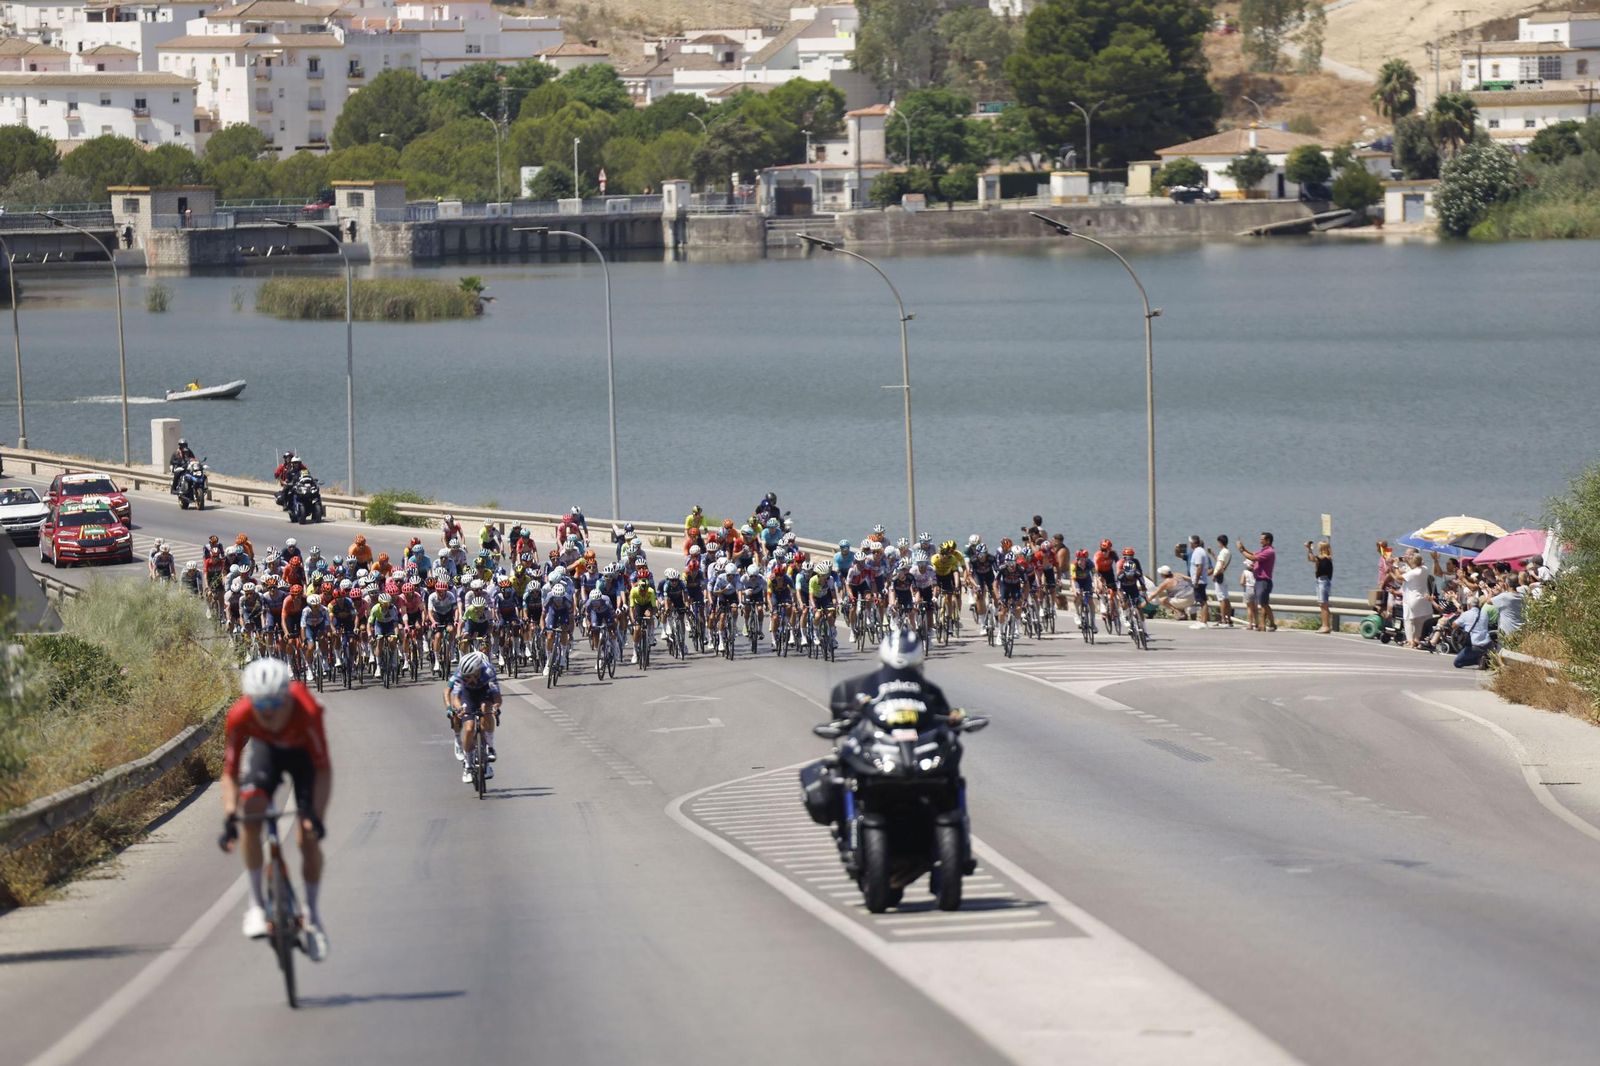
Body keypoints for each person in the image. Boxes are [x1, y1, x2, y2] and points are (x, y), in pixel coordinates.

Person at [218, 658, 331, 960]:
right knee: (251, 814)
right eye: (260, 704)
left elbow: (322, 771)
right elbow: (229, 773)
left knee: (306, 835)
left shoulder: (307, 709)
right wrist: (230, 814)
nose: (267, 712)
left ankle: (313, 917)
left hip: (303, 757)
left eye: (275, 703)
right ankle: (256, 906)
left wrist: (315, 816)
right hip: (267, 753)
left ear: (287, 697)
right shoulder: (240, 715)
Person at [827, 630, 952, 724]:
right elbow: (850, 713)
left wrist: (954, 719)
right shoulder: (868, 686)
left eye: (910, 669)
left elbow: (948, 722)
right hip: (881, 744)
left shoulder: (931, 692)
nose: (902, 674)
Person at [448, 650, 501, 782]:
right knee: (469, 727)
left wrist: (496, 707)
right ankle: (468, 764)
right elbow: (456, 697)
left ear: (478, 671)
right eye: (466, 676)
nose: (468, 679)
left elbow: (496, 695)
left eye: (471, 675)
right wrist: (459, 708)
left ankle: (489, 746)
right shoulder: (461, 673)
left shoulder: (488, 671)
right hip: (468, 695)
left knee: (486, 709)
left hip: (484, 692)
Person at [1239, 532, 1277, 631]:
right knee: (1264, 603)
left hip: (1264, 580)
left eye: (1262, 539)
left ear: (1268, 540)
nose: (1260, 540)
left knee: (1263, 603)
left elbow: (1253, 558)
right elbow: (1253, 554)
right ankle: (1272, 624)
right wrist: (1244, 548)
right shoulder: (1263, 550)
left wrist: (1241, 550)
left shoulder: (1269, 551)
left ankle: (1263, 625)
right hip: (1258, 580)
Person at [1397, 548, 1433, 647]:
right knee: (1419, 621)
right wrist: (1407, 562)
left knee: (1408, 620)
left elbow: (1398, 577)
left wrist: (1395, 566)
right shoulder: (1425, 569)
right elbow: (1414, 566)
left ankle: (1410, 641)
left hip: (1411, 598)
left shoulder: (1413, 572)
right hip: (1423, 598)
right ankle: (1417, 639)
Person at [1452, 594, 1494, 668]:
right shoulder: (1484, 613)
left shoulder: (1466, 614)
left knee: (1457, 663)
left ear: (1469, 605)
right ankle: (1484, 659)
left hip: (1474, 644)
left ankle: (1479, 660)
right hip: (1487, 643)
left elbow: (1454, 625)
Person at [1307, 540, 1334, 633]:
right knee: (1322, 604)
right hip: (1321, 581)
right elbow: (1312, 559)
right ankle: (1326, 625)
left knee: (1324, 604)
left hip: (1323, 581)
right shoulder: (1325, 558)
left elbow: (1312, 559)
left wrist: (1309, 549)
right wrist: (1309, 550)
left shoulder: (1324, 558)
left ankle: (1325, 626)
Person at [1186, 535, 1212, 628]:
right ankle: (1202, 620)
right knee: (1201, 601)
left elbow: (1199, 567)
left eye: (1190, 542)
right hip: (1200, 580)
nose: (1189, 544)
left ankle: (1204, 622)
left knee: (1202, 601)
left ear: (1194, 543)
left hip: (1200, 581)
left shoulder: (1198, 552)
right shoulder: (1200, 551)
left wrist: (1196, 580)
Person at [1212, 534, 1234, 628]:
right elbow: (1220, 562)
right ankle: (1228, 619)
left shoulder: (1222, 552)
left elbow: (1220, 565)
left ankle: (1223, 620)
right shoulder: (1228, 552)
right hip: (1224, 576)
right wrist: (1212, 554)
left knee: (1221, 599)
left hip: (1219, 576)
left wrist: (1215, 575)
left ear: (1220, 542)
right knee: (1226, 598)